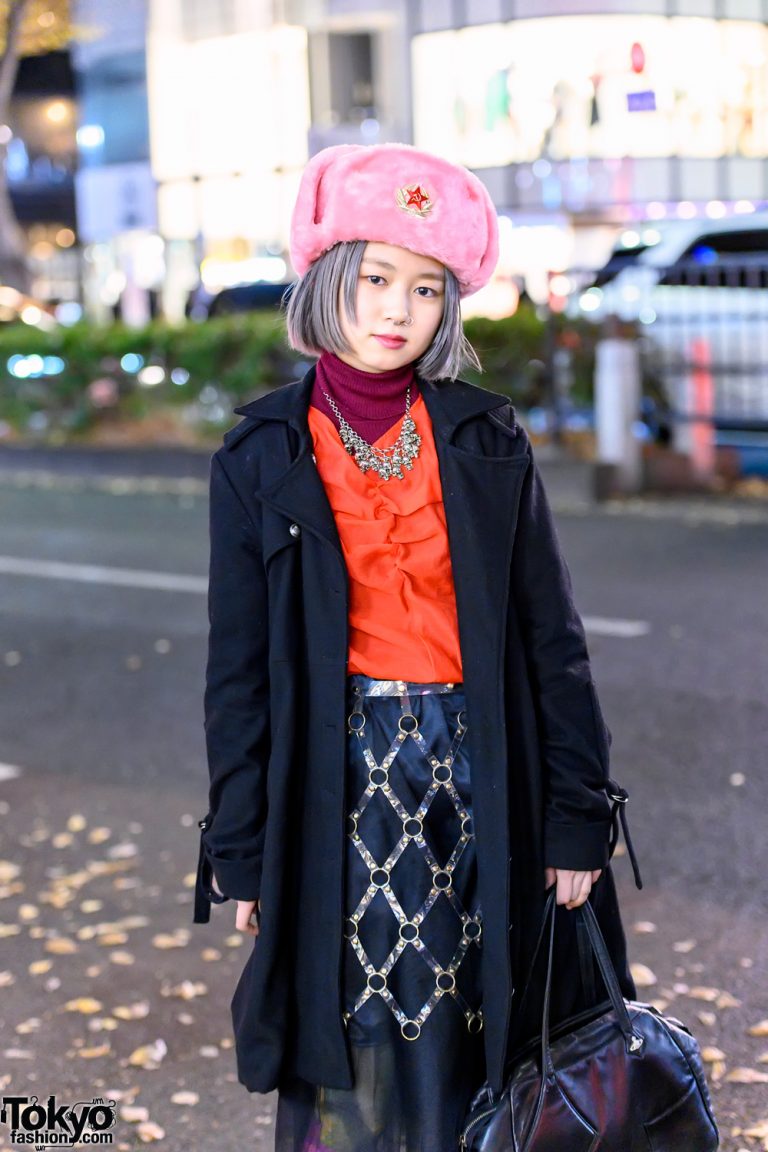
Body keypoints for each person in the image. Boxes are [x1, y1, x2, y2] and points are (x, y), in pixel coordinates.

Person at [193, 143, 637, 1151]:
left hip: (484, 770)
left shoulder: (486, 439)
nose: (398, 309)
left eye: (427, 289)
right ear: (329, 280)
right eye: (378, 278)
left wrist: (578, 820)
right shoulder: (262, 452)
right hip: (334, 783)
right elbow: (240, 675)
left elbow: (551, 642)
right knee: (355, 1026)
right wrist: (246, 854)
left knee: (489, 1022)